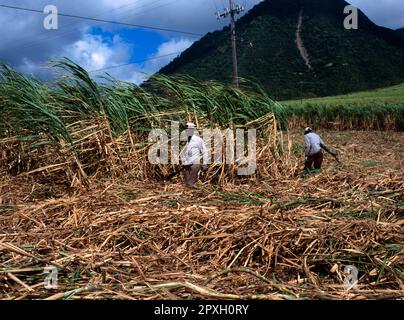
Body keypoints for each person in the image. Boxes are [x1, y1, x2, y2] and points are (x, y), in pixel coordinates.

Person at [181, 123, 209, 187]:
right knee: (187, 184)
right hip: (186, 164)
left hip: (194, 164)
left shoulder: (198, 140)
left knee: (191, 183)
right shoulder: (183, 140)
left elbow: (204, 151)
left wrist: (205, 163)